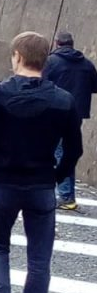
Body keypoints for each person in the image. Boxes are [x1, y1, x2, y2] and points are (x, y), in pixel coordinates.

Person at [0, 31, 81, 293]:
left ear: (17, 56)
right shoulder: (63, 100)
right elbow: (74, 149)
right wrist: (56, 176)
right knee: (39, 259)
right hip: (42, 186)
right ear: (44, 60)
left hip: (3, 184)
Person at [42, 31, 95, 211]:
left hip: (54, 111)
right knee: (66, 152)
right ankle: (65, 195)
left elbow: (41, 83)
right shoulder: (87, 64)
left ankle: (64, 196)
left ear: (57, 43)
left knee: (55, 152)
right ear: (72, 43)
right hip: (76, 113)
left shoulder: (51, 62)